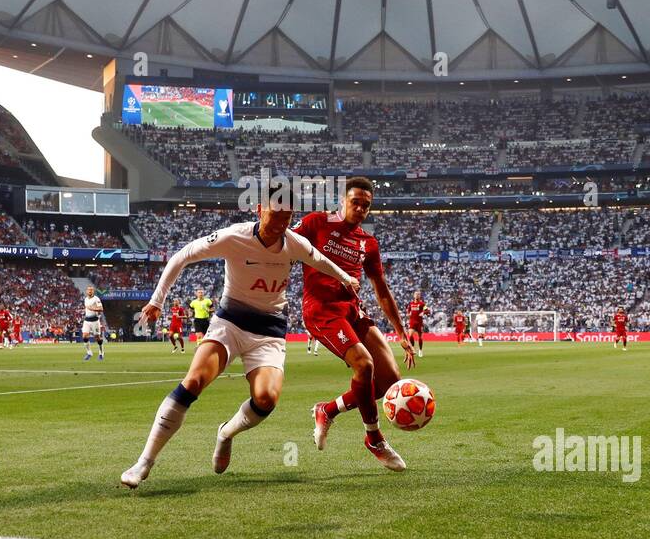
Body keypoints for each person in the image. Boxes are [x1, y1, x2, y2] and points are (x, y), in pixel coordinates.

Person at [120, 205, 359, 489]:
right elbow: (183, 255)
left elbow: (319, 259)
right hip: (230, 322)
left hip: (269, 331)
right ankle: (144, 462)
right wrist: (157, 300)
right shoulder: (234, 236)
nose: (280, 223)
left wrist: (346, 278)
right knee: (194, 380)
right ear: (260, 210)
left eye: (287, 217)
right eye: (275, 214)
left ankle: (226, 433)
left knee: (266, 399)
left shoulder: (294, 243)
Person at [299, 177, 416, 472]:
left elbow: (381, 289)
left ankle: (327, 410)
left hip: (353, 310)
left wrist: (401, 333)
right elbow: (285, 244)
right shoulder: (317, 223)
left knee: (390, 380)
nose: (361, 208)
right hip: (322, 310)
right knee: (364, 365)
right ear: (342, 200)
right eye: (356, 202)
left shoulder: (368, 242)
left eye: (366, 205)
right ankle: (374, 439)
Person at [82, 286, 105, 361]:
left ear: (93, 291)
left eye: (91, 290)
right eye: (89, 290)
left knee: (97, 338)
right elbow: (87, 309)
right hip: (87, 321)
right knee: (85, 336)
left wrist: (92, 308)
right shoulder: (85, 299)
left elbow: (101, 309)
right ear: (86, 291)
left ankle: (101, 353)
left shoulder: (96, 299)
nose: (90, 291)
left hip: (95, 321)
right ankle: (89, 353)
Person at [406, 290, 429, 359]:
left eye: (418, 294)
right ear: (414, 296)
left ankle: (420, 350)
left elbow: (428, 311)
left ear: (420, 296)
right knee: (410, 336)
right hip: (412, 322)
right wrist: (408, 314)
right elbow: (408, 311)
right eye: (416, 294)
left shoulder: (422, 304)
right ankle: (413, 348)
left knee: (420, 337)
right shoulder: (411, 304)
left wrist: (423, 313)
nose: (417, 295)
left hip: (419, 322)